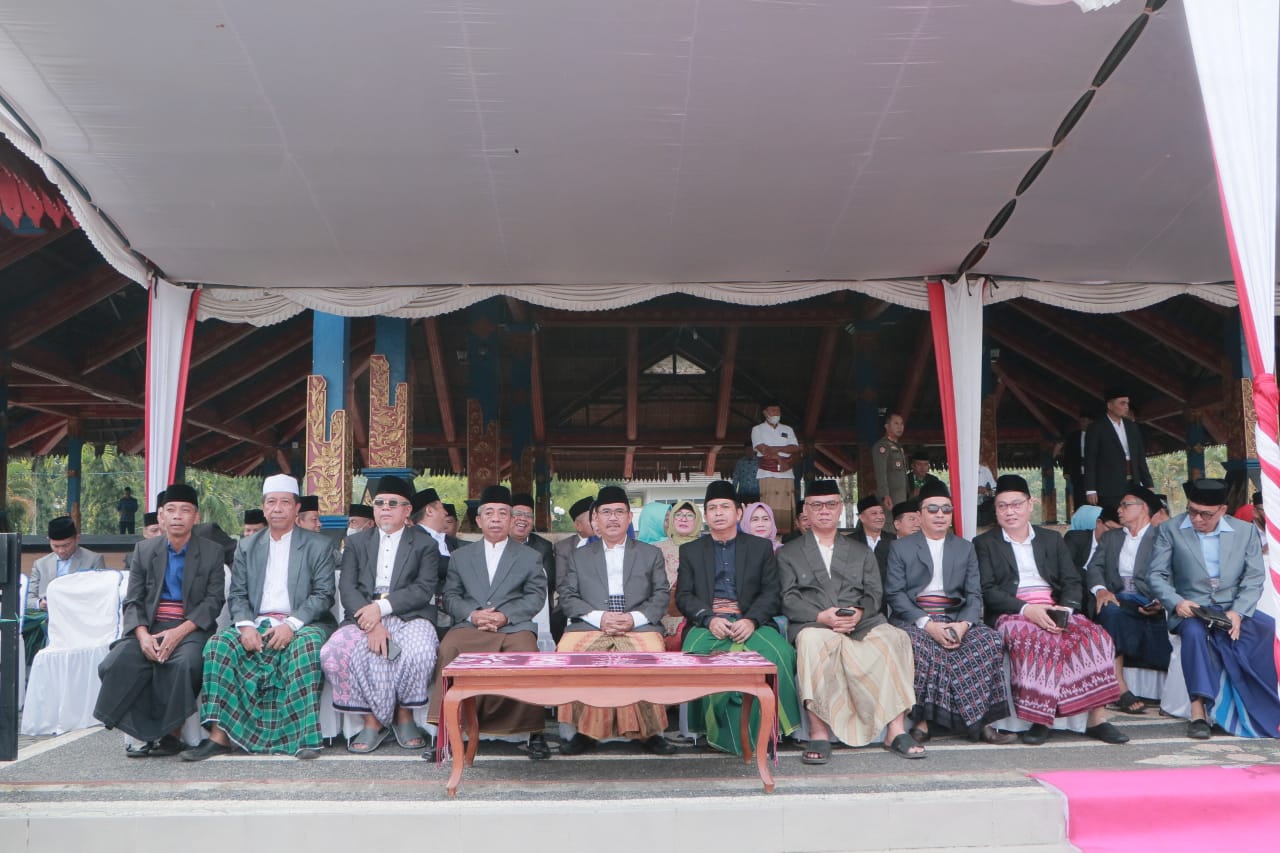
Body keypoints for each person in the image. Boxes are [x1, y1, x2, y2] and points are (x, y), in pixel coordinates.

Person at [182, 474, 337, 760]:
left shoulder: (318, 545)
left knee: (304, 647)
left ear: (296, 507)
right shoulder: (246, 546)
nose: (277, 508)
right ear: (264, 508)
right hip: (257, 621)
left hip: (304, 622)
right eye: (271, 502)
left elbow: (324, 595)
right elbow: (238, 595)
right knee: (218, 646)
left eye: (284, 502)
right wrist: (245, 626)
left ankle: (302, 737)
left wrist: (291, 625)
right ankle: (219, 736)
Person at [974, 475, 1127, 745]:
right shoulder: (985, 544)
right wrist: (1027, 610)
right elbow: (987, 590)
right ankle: (1041, 718)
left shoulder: (1051, 539)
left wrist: (1066, 609)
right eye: (1002, 506)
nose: (1010, 511)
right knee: (1037, 640)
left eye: (1016, 504)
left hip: (1055, 606)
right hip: (1014, 612)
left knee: (1096, 637)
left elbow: (1071, 580)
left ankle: (1097, 719)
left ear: (1030, 504)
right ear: (996, 510)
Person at [778, 480, 923, 764]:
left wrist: (858, 613)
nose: (824, 511)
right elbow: (788, 598)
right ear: (806, 510)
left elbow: (874, 593)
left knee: (897, 638)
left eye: (831, 504)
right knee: (809, 642)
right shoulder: (789, 552)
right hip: (816, 623)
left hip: (860, 622)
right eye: (816, 505)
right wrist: (822, 616)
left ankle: (895, 729)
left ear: (840, 508)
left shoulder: (859, 551)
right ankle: (818, 732)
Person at [95, 484, 226, 756]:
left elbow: (213, 601)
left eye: (185, 510)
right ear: (160, 517)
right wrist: (142, 636)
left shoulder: (212, 552)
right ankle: (142, 734)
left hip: (190, 628)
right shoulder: (144, 550)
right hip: (150, 627)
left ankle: (170, 734)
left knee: (185, 664)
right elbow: (133, 600)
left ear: (196, 517)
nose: (178, 516)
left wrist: (179, 632)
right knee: (117, 662)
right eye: (171, 510)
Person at [1145, 479, 1280, 739]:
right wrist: (1177, 602)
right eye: (1191, 511)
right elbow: (1156, 576)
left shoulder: (1244, 531)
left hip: (1230, 606)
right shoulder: (1171, 530)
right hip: (1192, 607)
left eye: (1205, 514)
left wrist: (1238, 613)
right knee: (1195, 635)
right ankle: (1198, 712)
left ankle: (1250, 707)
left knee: (1264, 629)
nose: (1196, 519)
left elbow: (1253, 578)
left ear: (1222, 510)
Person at [426, 485, 551, 760]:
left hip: (513, 626)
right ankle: (444, 735)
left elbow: (535, 596)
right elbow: (450, 596)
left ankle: (534, 733)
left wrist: (505, 615)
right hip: (470, 626)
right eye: (489, 513)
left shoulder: (530, 557)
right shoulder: (460, 556)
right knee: (449, 650)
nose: (496, 518)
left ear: (510, 520)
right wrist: (473, 614)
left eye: (502, 513)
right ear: (479, 520)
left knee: (528, 655)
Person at [884, 480, 1013, 744]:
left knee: (989, 641)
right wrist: (927, 624)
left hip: (955, 616)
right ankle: (922, 721)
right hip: (915, 618)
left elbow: (974, 594)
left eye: (946, 509)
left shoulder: (964, 547)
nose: (940, 515)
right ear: (919, 515)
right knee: (922, 646)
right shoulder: (901, 547)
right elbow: (895, 594)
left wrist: (965, 624)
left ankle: (981, 721)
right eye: (932, 509)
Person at [677, 481, 801, 755]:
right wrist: (709, 619)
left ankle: (774, 729)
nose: (718, 513)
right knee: (696, 657)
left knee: (781, 654)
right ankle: (713, 730)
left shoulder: (759, 547)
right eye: (712, 508)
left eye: (724, 507)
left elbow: (771, 592)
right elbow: (684, 596)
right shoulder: (691, 551)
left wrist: (752, 620)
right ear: (706, 515)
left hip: (750, 619)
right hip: (709, 622)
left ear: (738, 512)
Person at [320, 476, 439, 753]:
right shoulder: (356, 542)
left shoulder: (424, 545)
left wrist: (381, 609)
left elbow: (423, 589)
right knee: (334, 653)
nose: (385, 508)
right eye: (379, 503)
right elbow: (347, 587)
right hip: (362, 615)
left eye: (393, 503)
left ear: (407, 510)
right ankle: (371, 721)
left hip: (409, 614)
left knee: (418, 651)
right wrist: (371, 623)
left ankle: (404, 715)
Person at [557, 485, 674, 756]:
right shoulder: (579, 556)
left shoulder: (649, 553)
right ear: (595, 519)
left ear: (630, 517)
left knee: (650, 654)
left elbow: (661, 594)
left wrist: (633, 619)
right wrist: (601, 618)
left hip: (639, 624)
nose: (613, 518)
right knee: (570, 653)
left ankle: (650, 732)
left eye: (619, 512)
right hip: (592, 622)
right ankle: (583, 733)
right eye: (606, 512)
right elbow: (568, 597)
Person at [1085, 483, 1171, 715]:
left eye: (1125, 505)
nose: (1119, 510)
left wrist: (1162, 601)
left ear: (1143, 508)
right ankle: (1120, 688)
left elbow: (1174, 572)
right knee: (1111, 612)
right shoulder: (1111, 537)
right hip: (1118, 597)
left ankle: (1171, 694)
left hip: (1150, 600)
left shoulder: (1161, 536)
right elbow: (1094, 567)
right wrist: (1101, 590)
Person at [1083, 389, 1153, 511]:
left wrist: (1148, 484)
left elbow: (1140, 457)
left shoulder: (1132, 426)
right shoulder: (1096, 427)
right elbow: (1090, 459)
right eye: (1122, 403)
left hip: (1133, 484)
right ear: (1110, 405)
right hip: (1108, 487)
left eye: (1127, 403)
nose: (1126, 407)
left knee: (1132, 519)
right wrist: (1090, 489)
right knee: (1113, 521)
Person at [27, 515, 106, 611]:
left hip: (82, 614)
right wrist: (39, 604)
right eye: (55, 546)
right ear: (49, 540)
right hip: (47, 616)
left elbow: (101, 595)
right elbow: (28, 598)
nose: (61, 551)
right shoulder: (40, 564)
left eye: (66, 545)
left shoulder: (94, 560)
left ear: (77, 539)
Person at [412, 487, 461, 632]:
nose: (446, 513)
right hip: (429, 610)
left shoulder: (450, 542)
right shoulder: (413, 538)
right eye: (441, 508)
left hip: (455, 605)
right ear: (429, 511)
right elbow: (436, 567)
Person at [655, 499, 702, 648]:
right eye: (678, 514)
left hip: (700, 610)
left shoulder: (707, 547)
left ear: (698, 520)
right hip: (665, 611)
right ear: (671, 519)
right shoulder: (656, 549)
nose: (683, 518)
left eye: (689, 515)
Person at [509, 492, 557, 636]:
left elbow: (550, 582)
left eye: (529, 515)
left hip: (536, 607)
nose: (523, 519)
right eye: (517, 513)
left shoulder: (544, 547)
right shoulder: (498, 543)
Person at [752, 401, 800, 534]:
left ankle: (787, 536)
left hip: (787, 473)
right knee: (769, 505)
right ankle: (770, 535)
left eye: (778, 411)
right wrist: (780, 459)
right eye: (773, 411)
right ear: (765, 413)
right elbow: (763, 449)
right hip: (767, 472)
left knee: (786, 505)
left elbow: (795, 448)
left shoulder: (787, 429)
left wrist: (777, 448)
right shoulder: (757, 429)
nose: (776, 414)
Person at [552, 496, 596, 642]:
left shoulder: (608, 542)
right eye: (592, 519)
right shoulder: (564, 547)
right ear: (578, 525)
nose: (597, 522)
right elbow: (561, 583)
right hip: (571, 601)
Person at [851, 494, 895, 596]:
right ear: (861, 517)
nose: (879, 517)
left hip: (889, 596)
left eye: (881, 513)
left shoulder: (893, 540)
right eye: (874, 513)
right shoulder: (850, 542)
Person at [872, 413, 908, 511]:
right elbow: (880, 472)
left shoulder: (898, 447)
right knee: (890, 524)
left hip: (901, 496)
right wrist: (885, 495)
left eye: (901, 424)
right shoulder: (882, 446)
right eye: (896, 424)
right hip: (890, 497)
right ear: (887, 427)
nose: (899, 427)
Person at [1061, 413, 1092, 515]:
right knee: (1078, 495)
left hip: (1092, 471)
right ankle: (1079, 518)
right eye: (1082, 421)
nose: (1084, 423)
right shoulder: (1073, 436)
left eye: (1086, 421)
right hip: (1077, 470)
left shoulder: (1095, 435)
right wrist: (1066, 471)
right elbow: (1067, 455)